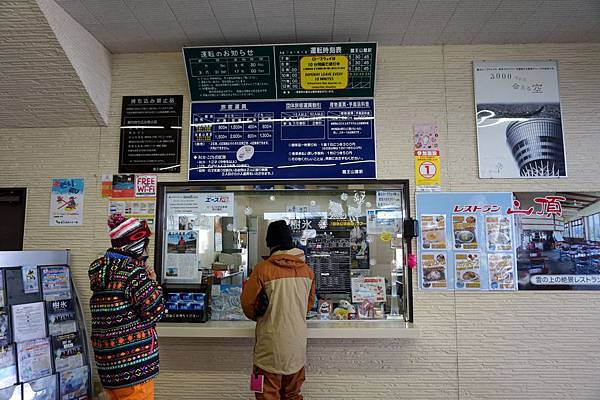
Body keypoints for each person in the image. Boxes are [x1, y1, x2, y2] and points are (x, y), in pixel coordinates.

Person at [89, 214, 165, 400]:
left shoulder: (101, 271)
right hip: (133, 365)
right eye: (144, 243)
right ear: (136, 245)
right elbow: (155, 310)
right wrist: (153, 282)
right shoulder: (132, 273)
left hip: (107, 362)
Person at [241, 220, 315, 400]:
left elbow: (248, 305)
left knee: (267, 395)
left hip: (269, 348)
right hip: (297, 347)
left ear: (270, 243)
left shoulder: (263, 269)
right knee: (293, 394)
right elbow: (308, 305)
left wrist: (260, 314)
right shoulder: (307, 271)